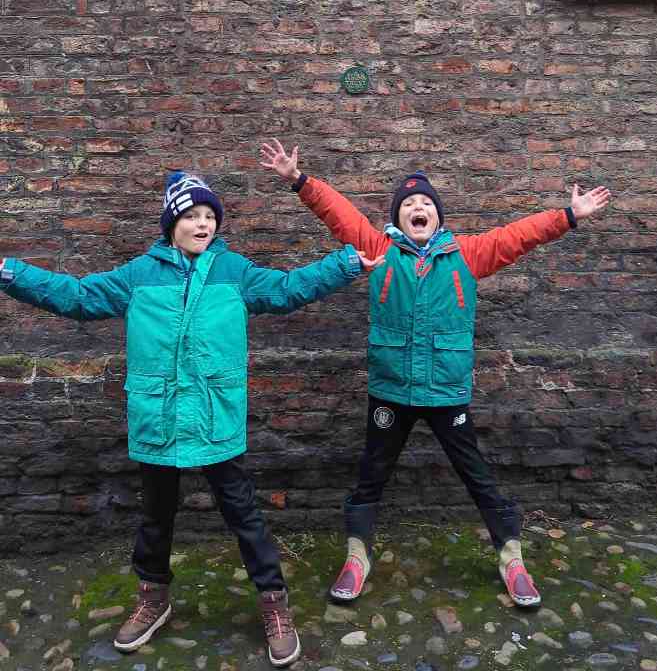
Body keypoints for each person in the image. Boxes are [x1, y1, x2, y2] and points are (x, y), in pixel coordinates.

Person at [0, 170, 382, 665]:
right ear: (171, 223)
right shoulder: (139, 275)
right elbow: (76, 296)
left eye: (209, 216)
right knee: (156, 518)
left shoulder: (234, 271)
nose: (203, 224)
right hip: (157, 416)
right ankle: (153, 597)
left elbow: (288, 288)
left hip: (213, 415)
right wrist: (9, 271)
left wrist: (346, 263)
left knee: (243, 515)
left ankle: (274, 603)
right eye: (192, 216)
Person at [260, 139, 611, 610]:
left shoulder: (467, 254)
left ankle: (511, 555)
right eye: (408, 205)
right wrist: (299, 180)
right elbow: (339, 214)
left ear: (438, 217)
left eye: (425, 203)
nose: (418, 208)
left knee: (476, 475)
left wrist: (567, 216)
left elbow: (517, 236)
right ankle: (356, 555)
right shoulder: (379, 249)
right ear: (397, 217)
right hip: (391, 389)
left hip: (446, 391)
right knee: (371, 474)